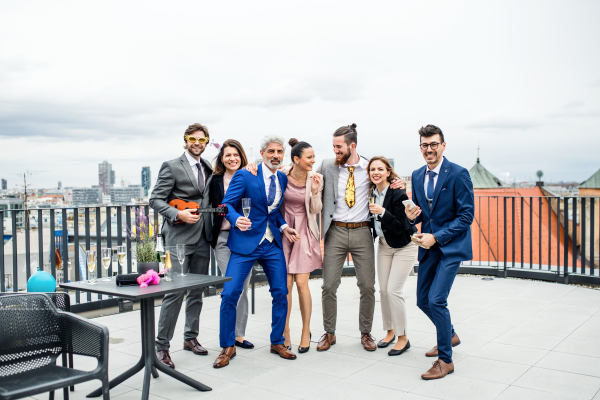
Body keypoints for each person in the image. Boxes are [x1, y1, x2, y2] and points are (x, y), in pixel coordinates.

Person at [213, 135, 301, 368]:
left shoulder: (282, 177)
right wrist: (236, 219)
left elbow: (271, 211)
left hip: (272, 244)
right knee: (230, 293)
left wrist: (283, 226)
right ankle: (227, 346)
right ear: (262, 154)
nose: (275, 156)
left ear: (283, 156)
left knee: (281, 292)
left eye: (279, 152)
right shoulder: (245, 174)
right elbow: (225, 205)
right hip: (244, 244)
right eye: (271, 151)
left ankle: (277, 341)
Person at [316, 123, 404, 352]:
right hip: (334, 231)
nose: (335, 150)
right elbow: (305, 177)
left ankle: (366, 333)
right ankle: (329, 333)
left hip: (363, 231)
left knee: (367, 286)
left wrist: (399, 183)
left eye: (339, 146)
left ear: (352, 146)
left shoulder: (369, 168)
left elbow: (387, 181)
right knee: (329, 285)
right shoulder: (327, 165)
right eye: (333, 146)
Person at [405, 124, 474, 380]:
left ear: (443, 145)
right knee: (422, 300)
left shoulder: (458, 173)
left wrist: (437, 237)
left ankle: (445, 360)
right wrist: (412, 218)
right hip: (428, 247)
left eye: (434, 144)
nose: (429, 149)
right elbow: (422, 213)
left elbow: (467, 215)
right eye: (425, 145)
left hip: (451, 247)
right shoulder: (416, 174)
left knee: (436, 300)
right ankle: (450, 334)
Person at [149, 123, 214, 369]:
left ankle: (190, 338)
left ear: (207, 142)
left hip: (202, 237)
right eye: (192, 139)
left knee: (196, 290)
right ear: (185, 140)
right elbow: (155, 199)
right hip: (178, 237)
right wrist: (177, 214)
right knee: (175, 291)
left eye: (202, 139)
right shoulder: (172, 166)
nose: (197, 143)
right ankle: (162, 346)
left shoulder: (208, 166)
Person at [367, 156, 418, 356]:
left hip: (404, 245)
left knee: (394, 290)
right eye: (372, 169)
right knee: (383, 291)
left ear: (389, 172)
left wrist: (382, 212)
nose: (376, 172)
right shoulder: (371, 192)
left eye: (380, 169)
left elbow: (400, 226)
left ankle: (403, 338)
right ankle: (389, 331)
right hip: (384, 245)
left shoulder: (397, 192)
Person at [279, 138, 324, 353]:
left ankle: (306, 331)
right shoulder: (281, 175)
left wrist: (314, 190)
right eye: (309, 157)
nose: (313, 161)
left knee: (301, 283)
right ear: (296, 159)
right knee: (285, 285)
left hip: (304, 231)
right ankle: (285, 330)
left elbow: (315, 210)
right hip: (284, 231)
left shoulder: (316, 178)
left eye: (314, 157)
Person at [209, 139, 255, 350]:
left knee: (243, 288)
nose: (232, 158)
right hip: (223, 238)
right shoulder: (215, 180)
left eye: (235, 154)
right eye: (227, 155)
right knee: (231, 287)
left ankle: (239, 335)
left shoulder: (250, 176)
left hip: (245, 239)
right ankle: (227, 339)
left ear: (241, 156)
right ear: (221, 158)